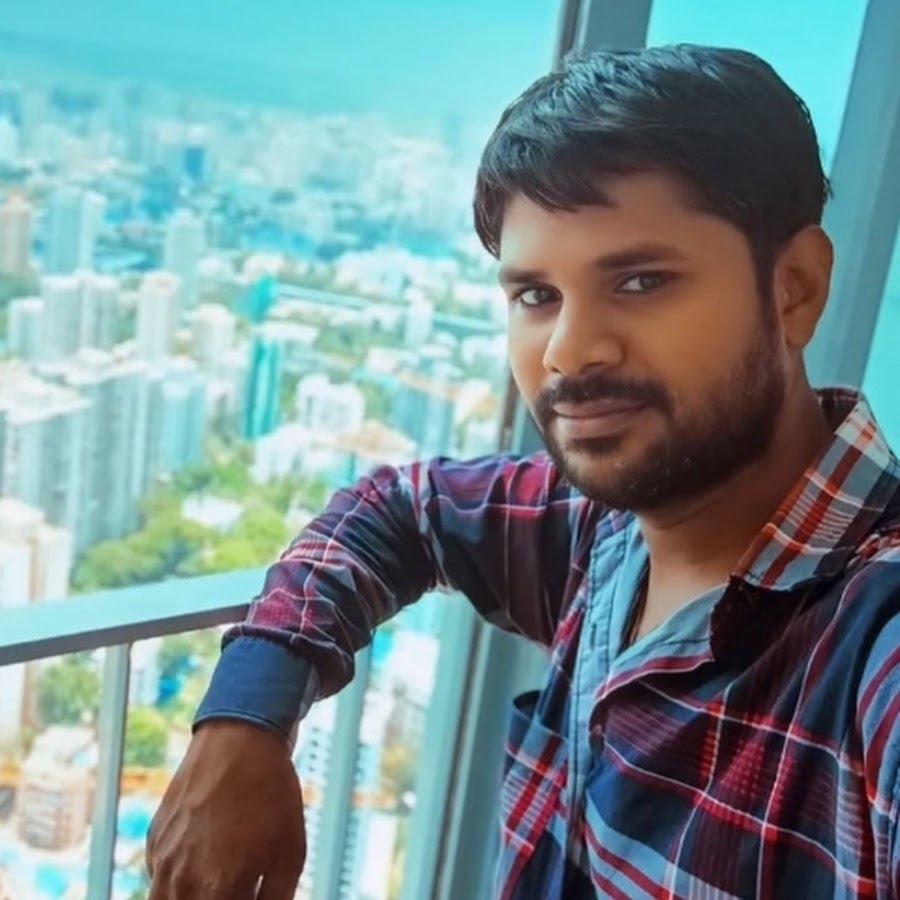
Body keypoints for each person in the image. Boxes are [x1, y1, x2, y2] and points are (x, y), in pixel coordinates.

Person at [145, 44, 900, 899]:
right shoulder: (607, 533)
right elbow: (396, 510)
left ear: (794, 288)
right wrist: (246, 718)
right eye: (537, 296)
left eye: (641, 281)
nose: (570, 351)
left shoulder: (872, 645)